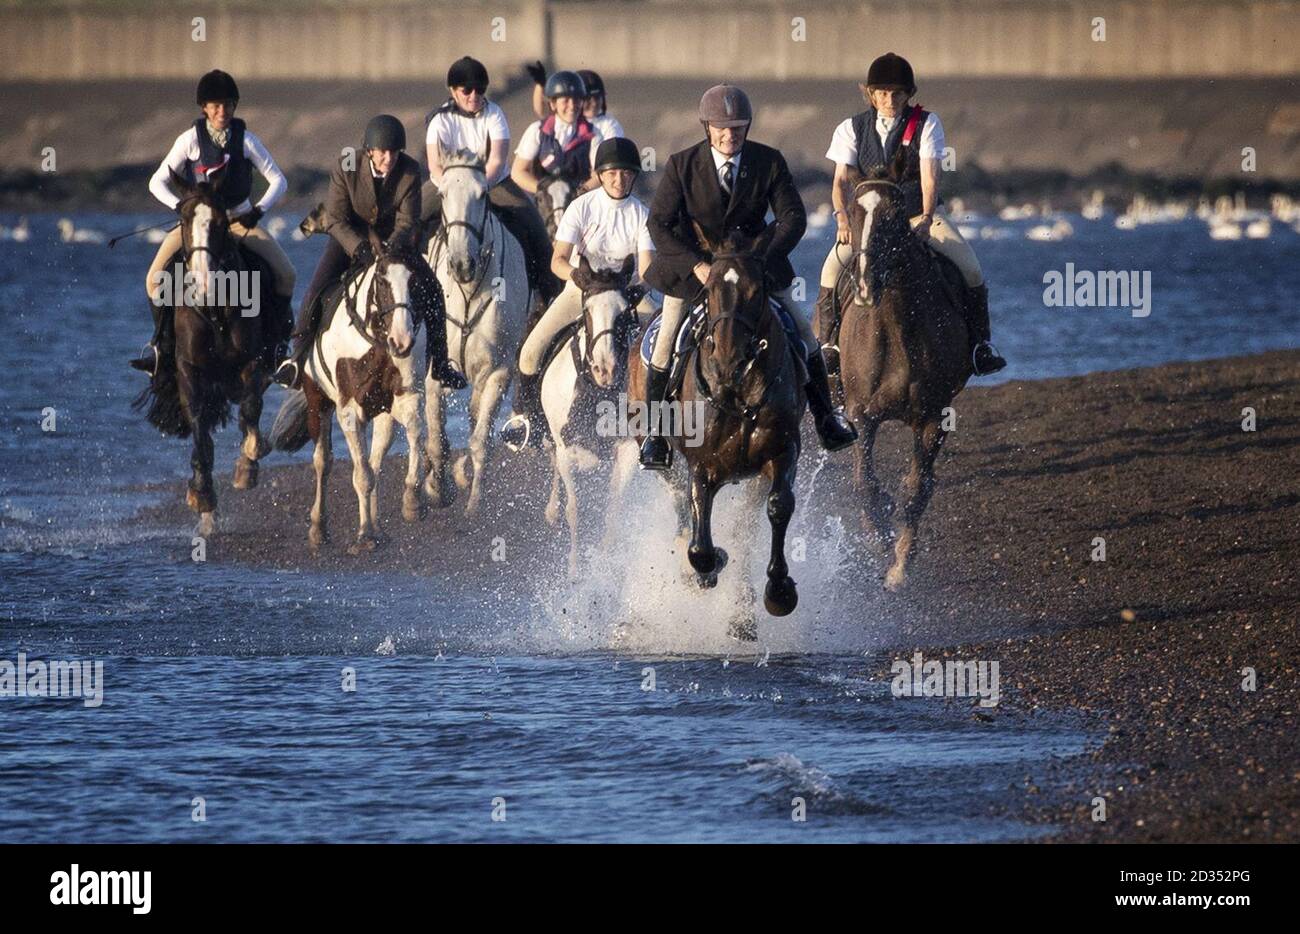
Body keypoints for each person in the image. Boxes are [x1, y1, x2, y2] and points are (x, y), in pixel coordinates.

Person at [639, 84, 857, 470]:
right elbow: (659, 224)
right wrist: (695, 264)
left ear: (748, 127)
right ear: (707, 127)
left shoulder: (769, 161)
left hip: (754, 269)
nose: (730, 135)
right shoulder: (681, 164)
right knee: (666, 339)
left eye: (738, 128)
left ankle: (827, 421)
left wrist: (758, 258)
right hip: (697, 271)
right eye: (722, 128)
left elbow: (793, 218)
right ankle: (656, 437)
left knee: (802, 332)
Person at [815, 52, 1005, 376]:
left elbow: (930, 177)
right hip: (869, 223)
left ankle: (979, 345)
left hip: (918, 215)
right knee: (831, 270)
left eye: (898, 93)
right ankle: (829, 344)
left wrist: (928, 218)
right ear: (871, 94)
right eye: (883, 94)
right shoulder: (851, 128)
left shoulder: (927, 124)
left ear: (908, 94)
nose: (890, 100)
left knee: (970, 268)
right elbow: (840, 183)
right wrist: (843, 220)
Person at [272, 115, 464, 390]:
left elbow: (408, 220)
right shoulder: (347, 163)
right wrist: (360, 248)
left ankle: (442, 365)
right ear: (369, 150)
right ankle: (296, 359)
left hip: (394, 242)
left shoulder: (409, 169)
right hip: (348, 236)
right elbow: (336, 218)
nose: (389, 158)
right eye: (383, 152)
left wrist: (389, 251)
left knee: (432, 288)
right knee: (316, 289)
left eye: (394, 152)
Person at [130, 69, 295, 375]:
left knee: (286, 274)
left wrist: (257, 211)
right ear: (204, 108)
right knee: (154, 279)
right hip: (197, 225)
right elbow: (157, 182)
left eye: (228, 105)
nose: (223, 111)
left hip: (237, 221)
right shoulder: (190, 140)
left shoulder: (247, 140)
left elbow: (278, 181)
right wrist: (181, 207)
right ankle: (161, 347)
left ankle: (277, 351)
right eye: (216, 105)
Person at [500, 137, 659, 449]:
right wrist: (577, 276)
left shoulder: (641, 213)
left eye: (626, 173)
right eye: (612, 173)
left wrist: (636, 290)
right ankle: (527, 418)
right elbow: (557, 260)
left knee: (662, 343)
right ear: (599, 174)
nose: (619, 179)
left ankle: (660, 424)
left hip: (624, 294)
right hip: (580, 290)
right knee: (531, 352)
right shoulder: (580, 207)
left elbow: (648, 270)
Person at [421, 56, 558, 304]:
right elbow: (435, 165)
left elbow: (496, 160)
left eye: (480, 90)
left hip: (492, 183)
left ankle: (548, 295)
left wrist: (479, 186)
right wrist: (453, 189)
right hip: (447, 185)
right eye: (467, 90)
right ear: (453, 91)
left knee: (534, 225)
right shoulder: (440, 120)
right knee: (411, 219)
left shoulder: (494, 114)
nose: (474, 95)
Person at [512, 70, 604, 208]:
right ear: (553, 104)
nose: (572, 105)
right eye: (565, 100)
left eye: (577, 99)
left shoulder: (593, 134)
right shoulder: (537, 131)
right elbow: (518, 172)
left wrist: (581, 190)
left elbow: (600, 175)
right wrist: (543, 190)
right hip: (543, 206)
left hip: (578, 204)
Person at [527, 63, 625, 141]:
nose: (594, 103)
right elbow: (541, 111)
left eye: (597, 98)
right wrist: (540, 85)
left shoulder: (609, 124)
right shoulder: (568, 117)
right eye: (588, 99)